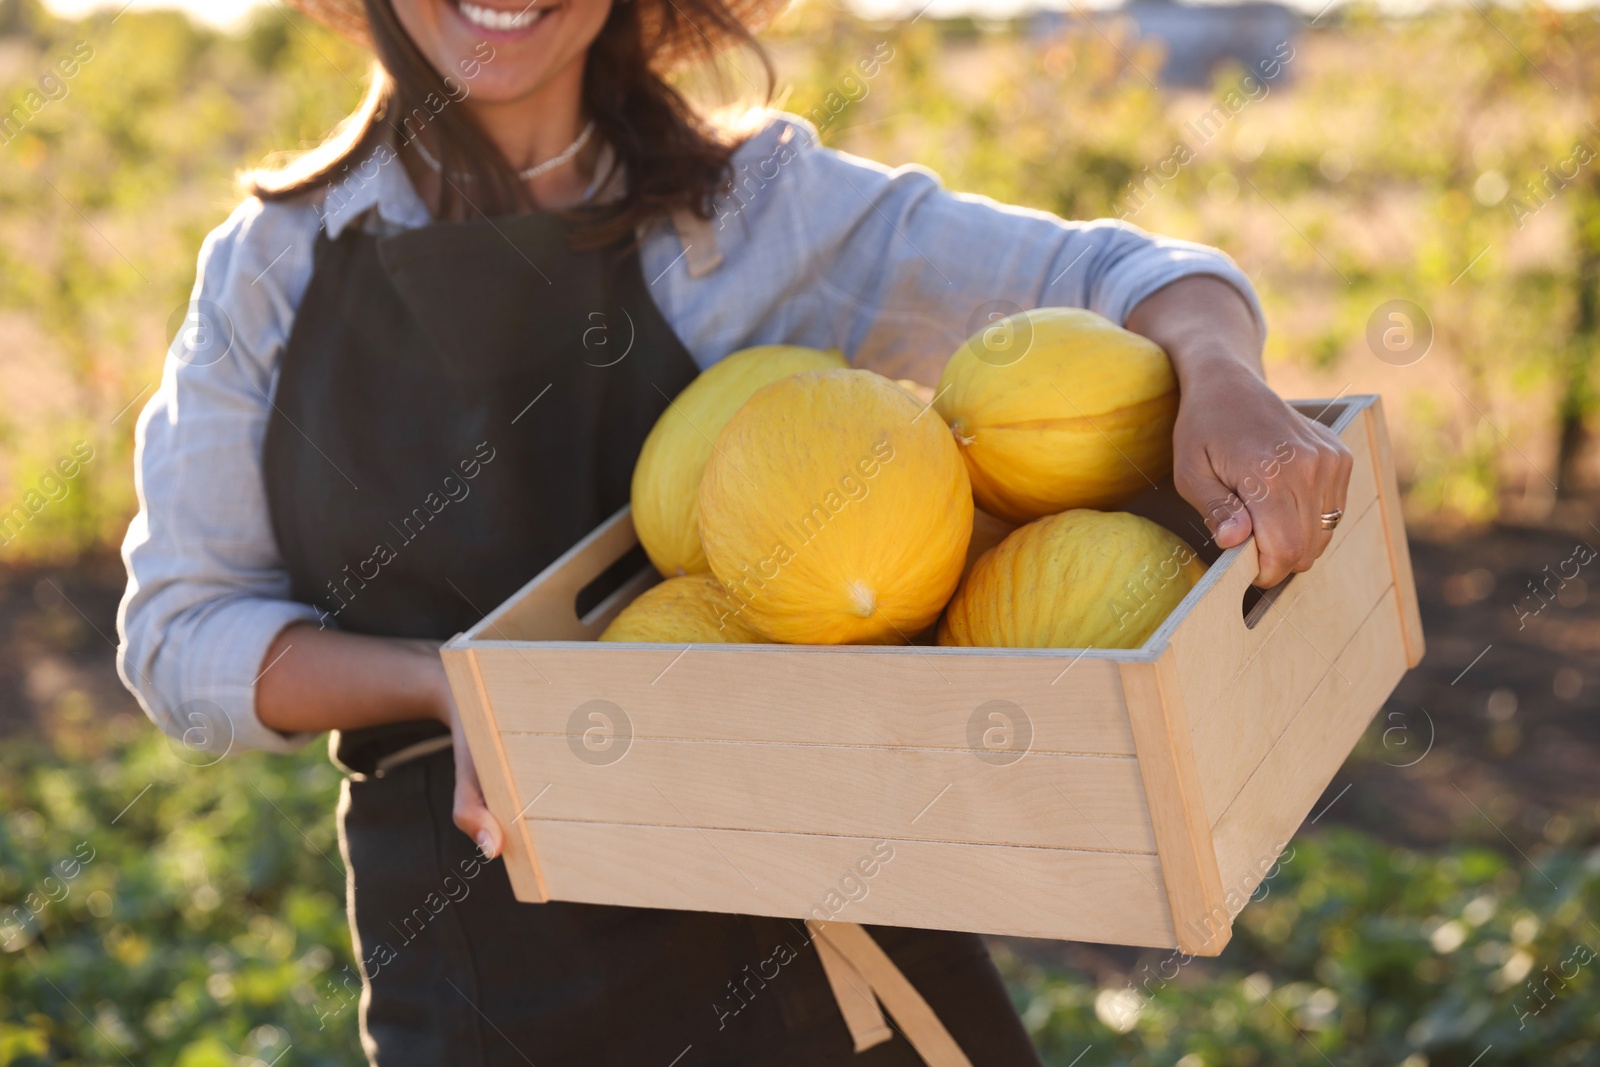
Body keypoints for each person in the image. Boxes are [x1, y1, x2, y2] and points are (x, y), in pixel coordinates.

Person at [115, 0, 1353, 1061]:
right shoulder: (274, 267)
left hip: (805, 928)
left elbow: (1125, 274)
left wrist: (1220, 371)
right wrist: (450, 687)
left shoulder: (749, 206)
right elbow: (182, 631)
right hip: (481, 950)